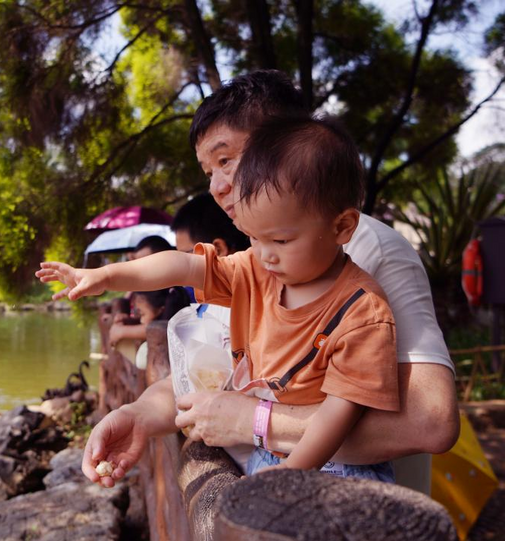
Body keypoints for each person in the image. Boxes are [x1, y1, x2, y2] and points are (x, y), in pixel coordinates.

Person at [77, 70, 459, 491]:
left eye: (226, 160)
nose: (218, 187)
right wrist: (140, 416)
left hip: (347, 499)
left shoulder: (371, 254)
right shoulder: (262, 256)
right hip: (255, 492)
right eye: (207, 170)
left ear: (287, 144)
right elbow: (228, 375)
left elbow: (431, 421)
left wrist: (252, 421)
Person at [41, 114, 401, 480]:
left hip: (341, 472)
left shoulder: (362, 313)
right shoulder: (256, 271)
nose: (264, 254)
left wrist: (284, 478)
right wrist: (105, 276)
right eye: (253, 237)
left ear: (342, 227)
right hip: (270, 454)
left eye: (280, 240)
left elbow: (337, 415)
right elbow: (181, 266)